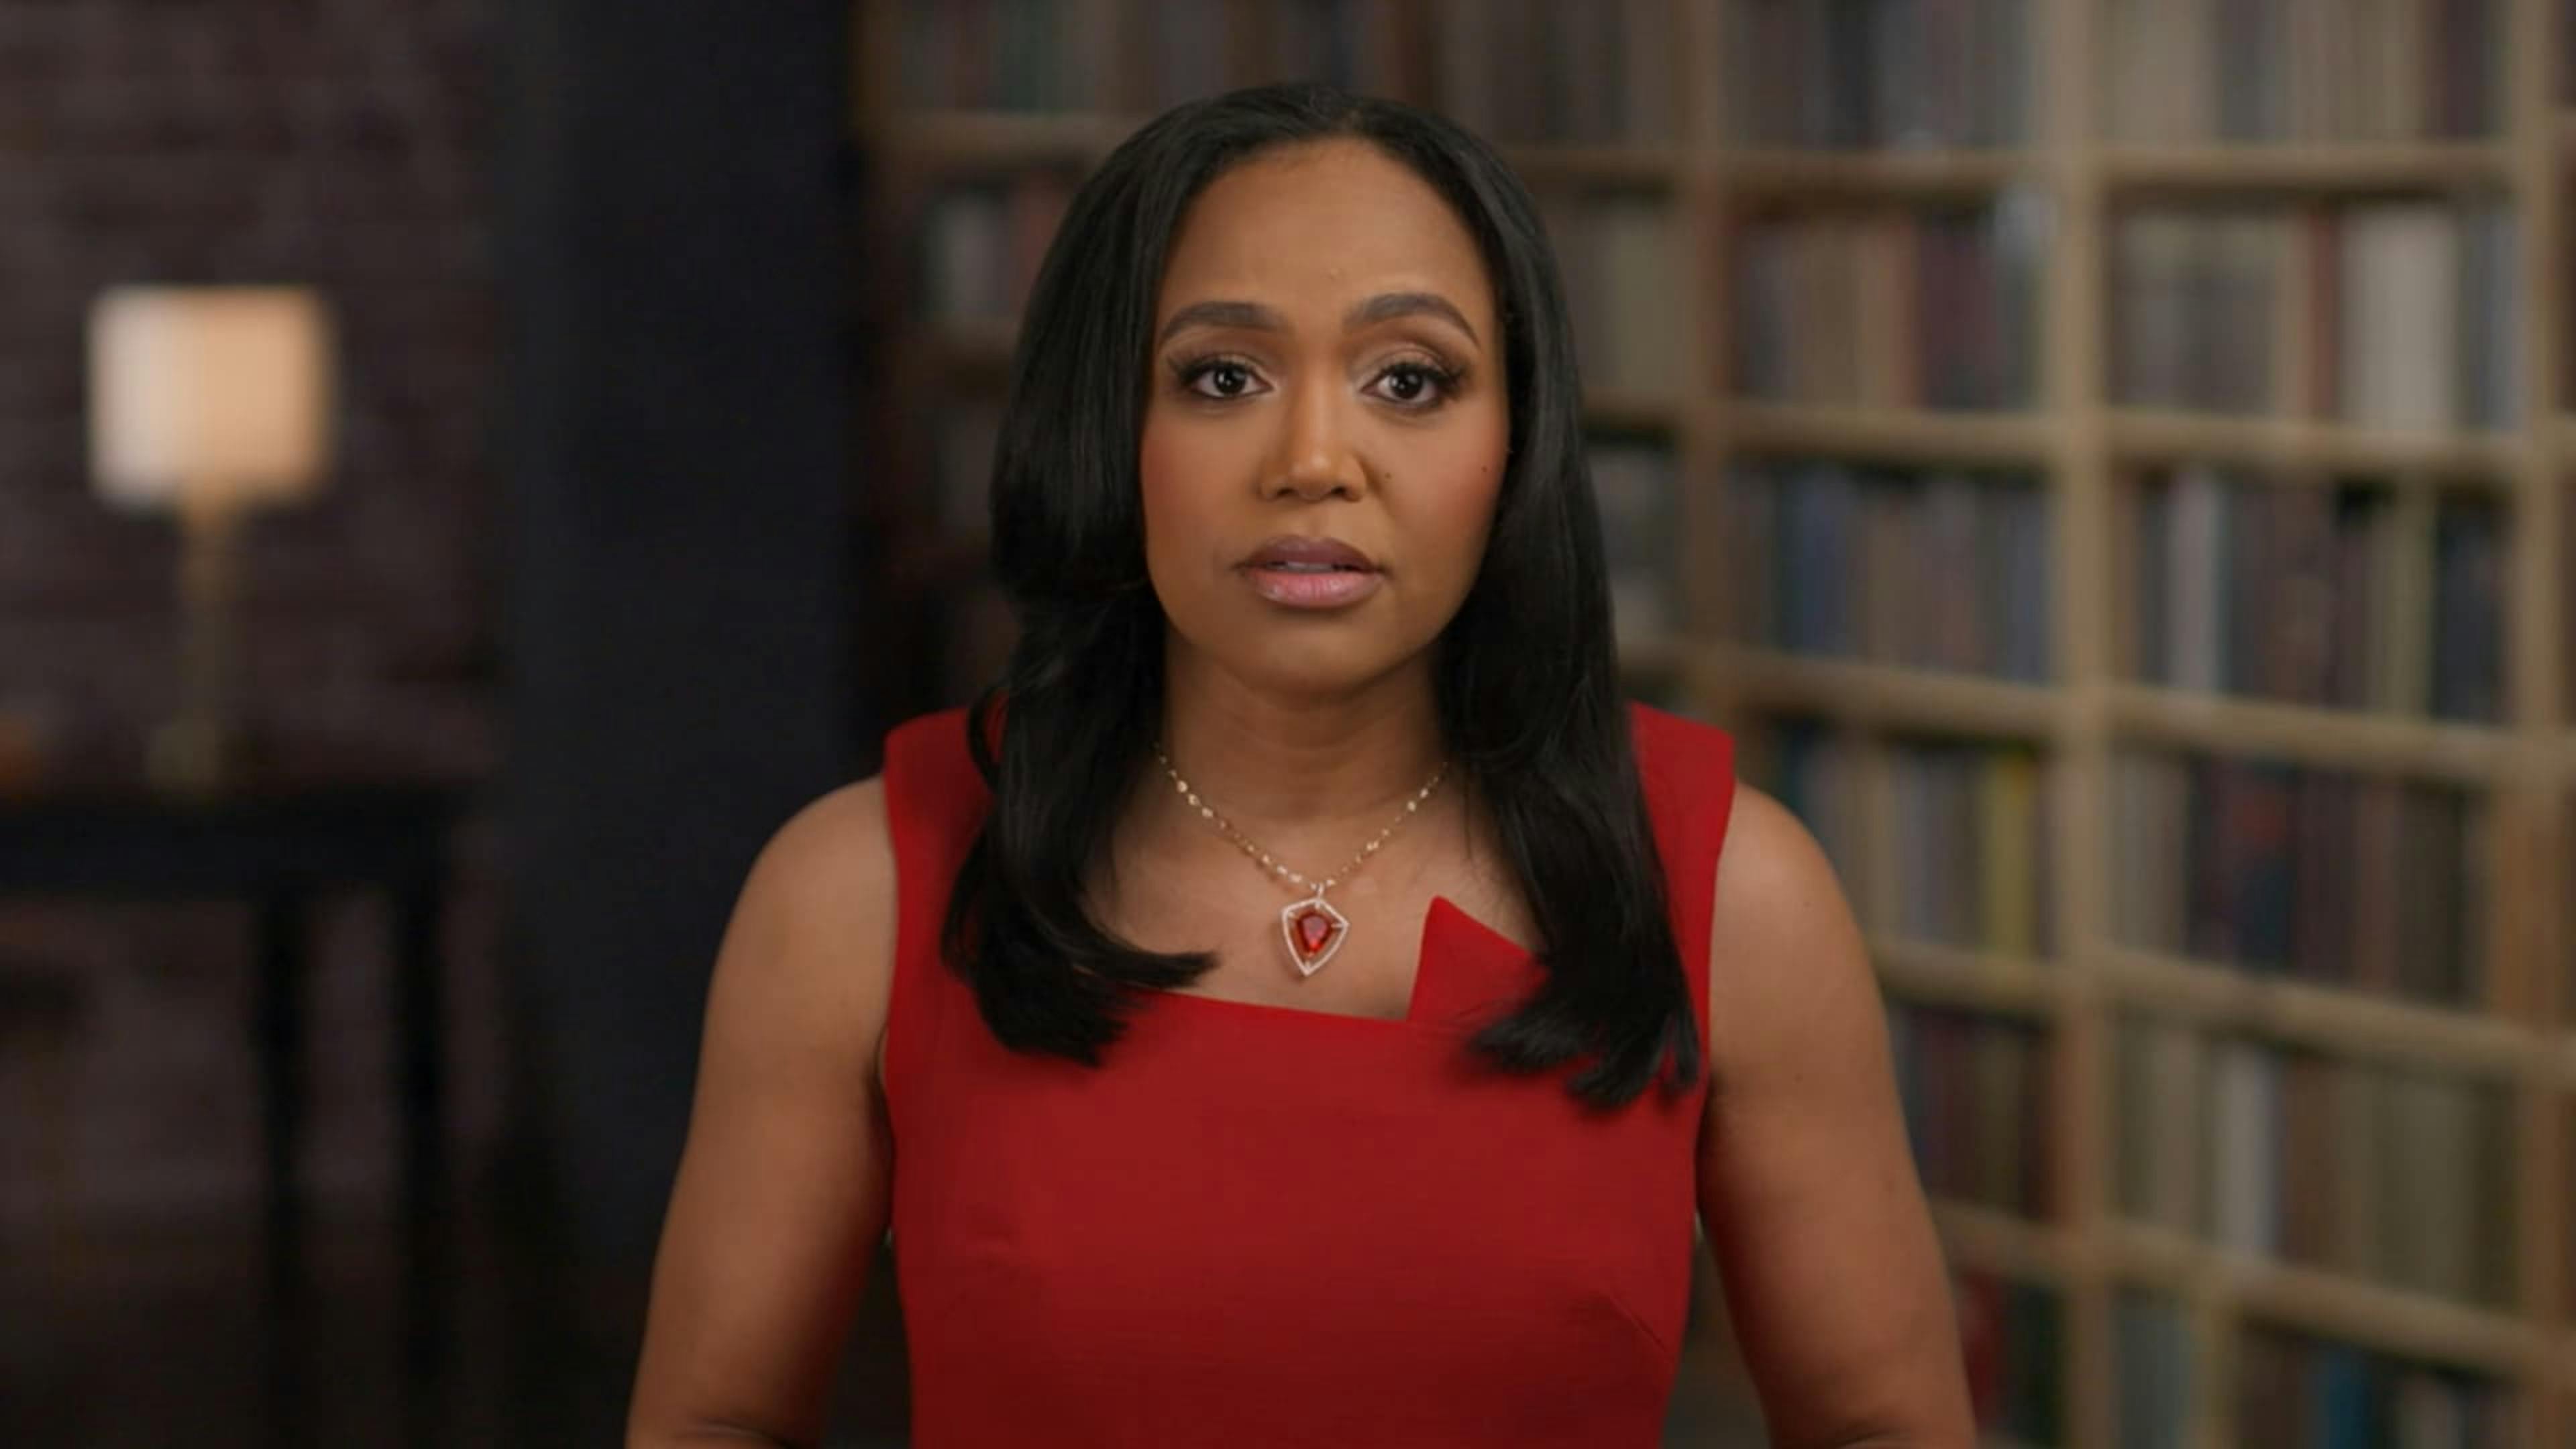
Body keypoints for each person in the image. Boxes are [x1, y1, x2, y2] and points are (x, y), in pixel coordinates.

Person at [628, 83, 1973, 1447]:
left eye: (1410, 380)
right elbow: (711, 1423)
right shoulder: (858, 891)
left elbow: (1887, 1427)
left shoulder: (1735, 896)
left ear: (1514, 444)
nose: (1316, 461)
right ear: (1107, 427)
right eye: (1223, 377)